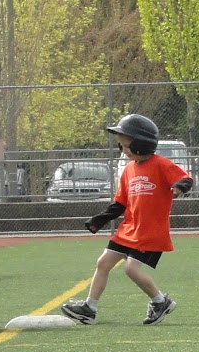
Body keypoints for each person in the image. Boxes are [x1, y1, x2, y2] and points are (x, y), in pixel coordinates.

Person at [61, 114, 192, 326]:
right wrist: (100, 219)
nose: (122, 149)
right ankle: (90, 309)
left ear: (141, 143)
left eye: (126, 144)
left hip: (150, 231)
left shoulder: (161, 164)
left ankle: (160, 301)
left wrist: (180, 187)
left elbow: (185, 178)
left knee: (131, 269)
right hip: (129, 229)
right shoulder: (128, 169)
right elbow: (121, 202)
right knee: (103, 262)